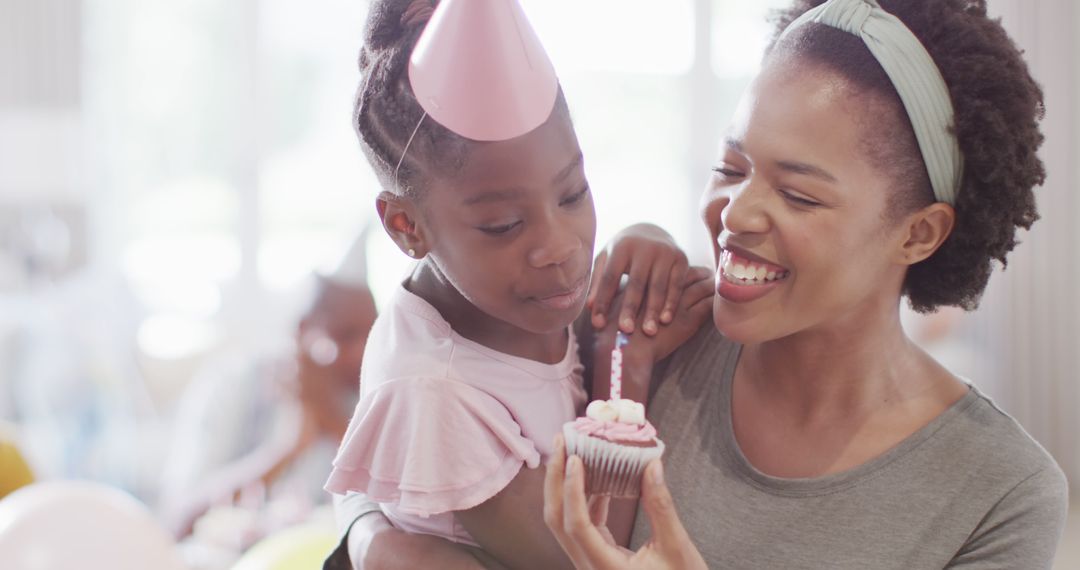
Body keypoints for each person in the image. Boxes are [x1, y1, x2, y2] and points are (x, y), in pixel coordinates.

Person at [544, 0, 1068, 568]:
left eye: (798, 195)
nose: (734, 215)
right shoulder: (648, 342)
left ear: (918, 233)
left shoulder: (1002, 492)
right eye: (730, 168)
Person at [320, 1, 712, 569]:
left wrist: (644, 234)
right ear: (407, 227)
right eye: (503, 225)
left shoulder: (500, 294)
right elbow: (588, 548)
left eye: (573, 193)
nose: (560, 246)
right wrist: (627, 363)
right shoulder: (435, 388)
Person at [161, 237, 378, 540]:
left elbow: (399, 513)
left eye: (373, 332)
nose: (363, 351)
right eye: (346, 335)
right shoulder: (234, 384)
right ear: (303, 329)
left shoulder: (374, 394)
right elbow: (179, 520)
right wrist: (285, 448)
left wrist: (334, 422)